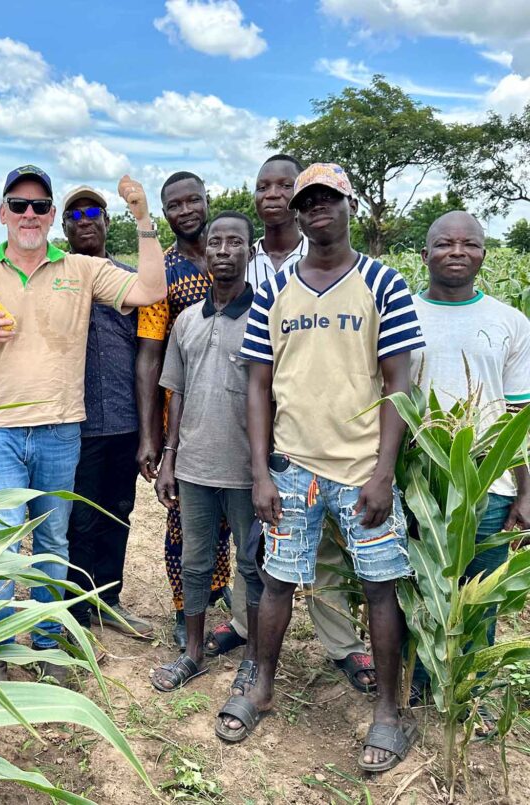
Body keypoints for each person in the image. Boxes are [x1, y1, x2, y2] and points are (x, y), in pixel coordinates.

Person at [226, 163, 424, 774]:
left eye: (327, 199)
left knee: (379, 587)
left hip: (362, 468)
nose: (316, 209)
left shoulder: (383, 284)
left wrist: (384, 472)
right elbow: (259, 386)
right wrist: (261, 472)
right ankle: (260, 686)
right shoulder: (276, 289)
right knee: (278, 581)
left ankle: (389, 712)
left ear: (348, 206)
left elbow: (399, 384)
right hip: (293, 469)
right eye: (307, 200)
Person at [0, 165, 166, 683]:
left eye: (39, 206)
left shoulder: (80, 271)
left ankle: (46, 643)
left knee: (52, 543)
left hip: (61, 430)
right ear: (3, 213)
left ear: (50, 218)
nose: (29, 214)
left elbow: (151, 290)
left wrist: (142, 216)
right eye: (18, 205)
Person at [214, 155, 376, 694]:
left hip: (343, 443)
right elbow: (258, 372)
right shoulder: (247, 255)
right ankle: (246, 634)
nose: (275, 194)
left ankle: (341, 645)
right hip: (279, 440)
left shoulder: (354, 272)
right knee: (261, 549)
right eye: (266, 185)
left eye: (287, 186)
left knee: (327, 553)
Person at [408, 210, 530, 712]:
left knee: (479, 597)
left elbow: (519, 414)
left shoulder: (510, 322)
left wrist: (526, 492)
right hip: (418, 486)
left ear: (484, 253)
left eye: (469, 244)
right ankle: (419, 684)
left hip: (489, 487)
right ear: (425, 255)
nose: (456, 252)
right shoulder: (403, 316)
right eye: (444, 244)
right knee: (421, 591)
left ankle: (469, 691)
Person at [149, 212, 264, 694]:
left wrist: (265, 472)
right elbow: (176, 394)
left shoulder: (267, 318)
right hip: (194, 465)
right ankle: (192, 653)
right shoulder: (187, 322)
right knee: (196, 560)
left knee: (253, 564)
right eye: (215, 242)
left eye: (233, 242)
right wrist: (169, 459)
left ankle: (257, 659)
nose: (221, 250)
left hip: (246, 470)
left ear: (249, 252)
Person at [135, 171, 232, 649]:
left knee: (233, 515)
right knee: (185, 522)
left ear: (207, 200)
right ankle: (184, 606)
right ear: (165, 212)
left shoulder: (236, 256)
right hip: (186, 418)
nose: (187, 210)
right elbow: (150, 354)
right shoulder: (164, 272)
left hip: (239, 415)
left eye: (194, 199)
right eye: (175, 205)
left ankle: (220, 588)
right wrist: (151, 436)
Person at [60, 185, 153, 638]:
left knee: (119, 511)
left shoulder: (131, 281)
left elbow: (147, 357)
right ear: (64, 228)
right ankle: (74, 610)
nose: (85, 219)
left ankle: (108, 601)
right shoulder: (55, 277)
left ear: (106, 221)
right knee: (78, 518)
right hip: (72, 422)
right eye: (74, 214)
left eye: (93, 210)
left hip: (123, 420)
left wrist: (150, 431)